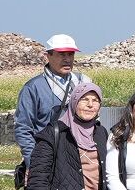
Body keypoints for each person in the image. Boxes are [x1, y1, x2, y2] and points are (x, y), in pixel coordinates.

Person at [13, 34, 87, 167]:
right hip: (46, 157)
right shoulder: (33, 88)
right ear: (48, 55)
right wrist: (34, 163)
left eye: (70, 54)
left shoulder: (83, 82)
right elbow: (23, 129)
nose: (67, 59)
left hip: (79, 157)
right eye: (61, 54)